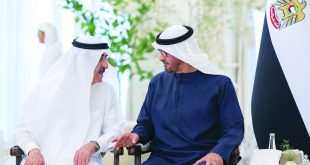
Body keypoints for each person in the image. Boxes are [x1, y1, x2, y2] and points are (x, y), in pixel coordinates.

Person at [113, 25, 244, 165]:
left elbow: (234, 128)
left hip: (202, 158)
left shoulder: (220, 84)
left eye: (164, 53)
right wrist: (135, 135)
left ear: (181, 52)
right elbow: (146, 123)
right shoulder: (157, 83)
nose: (160, 58)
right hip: (161, 159)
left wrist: (218, 152)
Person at [15, 36, 124, 165]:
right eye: (101, 58)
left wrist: (94, 144)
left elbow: (115, 131)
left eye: (106, 58)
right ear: (85, 61)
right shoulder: (49, 87)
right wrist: (32, 150)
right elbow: (22, 130)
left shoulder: (107, 91)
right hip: (44, 161)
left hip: (85, 162)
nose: (106, 65)